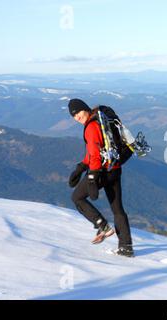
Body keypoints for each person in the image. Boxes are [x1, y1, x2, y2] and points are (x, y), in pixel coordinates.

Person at [67, 98, 134, 257]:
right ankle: (126, 247)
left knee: (77, 197)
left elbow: (95, 155)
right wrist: (81, 167)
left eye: (78, 112)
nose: (77, 117)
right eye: (73, 116)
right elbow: (95, 150)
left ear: (85, 109)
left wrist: (91, 177)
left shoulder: (91, 127)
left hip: (101, 171)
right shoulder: (101, 119)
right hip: (115, 168)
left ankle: (102, 226)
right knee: (118, 209)